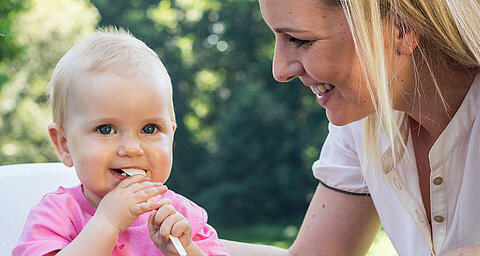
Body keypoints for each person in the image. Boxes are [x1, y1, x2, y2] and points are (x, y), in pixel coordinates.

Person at [221, 0, 480, 255]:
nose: (280, 71)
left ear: (402, 29)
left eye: (299, 40)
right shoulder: (366, 117)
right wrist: (193, 244)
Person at [13, 27, 228, 256]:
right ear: (64, 145)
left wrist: (187, 250)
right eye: (106, 129)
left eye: (150, 128)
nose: (132, 149)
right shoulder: (57, 215)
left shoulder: (185, 217)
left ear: (171, 136)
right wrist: (106, 224)